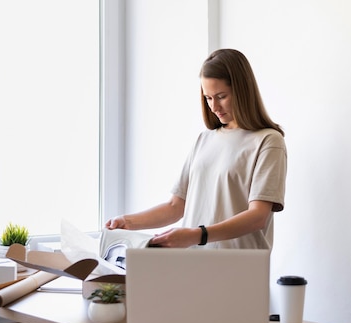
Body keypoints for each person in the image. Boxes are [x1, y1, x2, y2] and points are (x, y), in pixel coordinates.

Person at [106, 48, 287, 249]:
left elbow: (257, 217)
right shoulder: (205, 139)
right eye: (208, 98)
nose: (214, 107)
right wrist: (127, 222)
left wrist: (197, 235)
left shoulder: (269, 141)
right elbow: (175, 206)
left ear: (242, 91)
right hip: (193, 265)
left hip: (239, 269)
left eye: (221, 96)